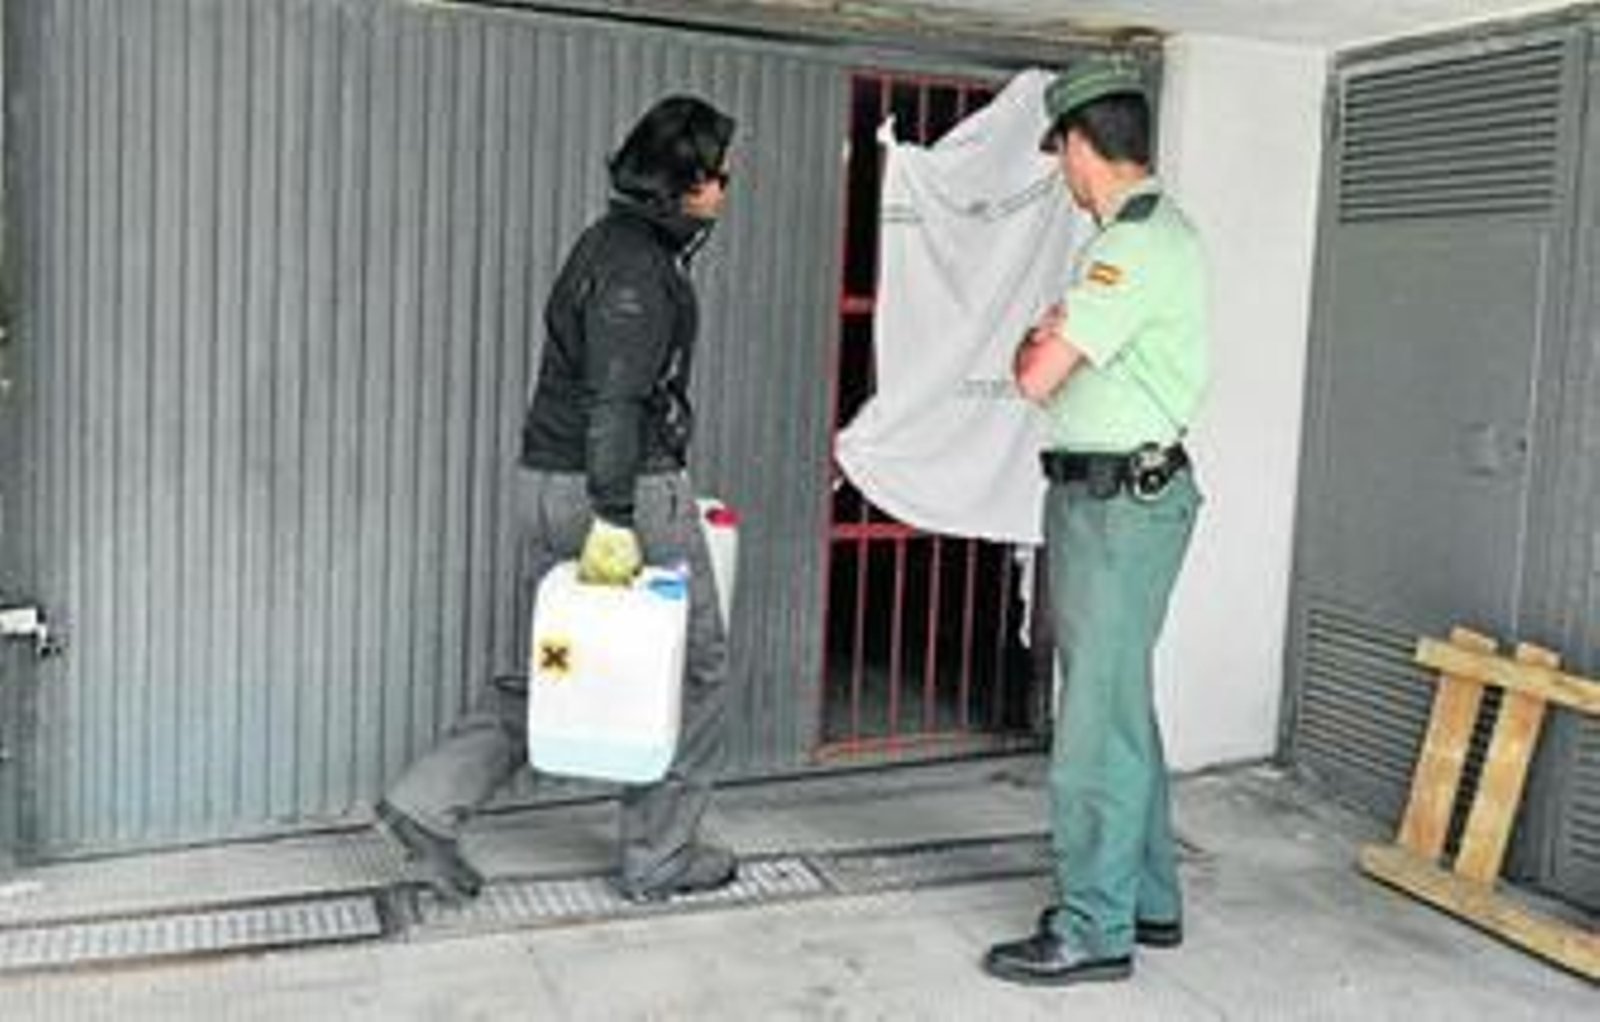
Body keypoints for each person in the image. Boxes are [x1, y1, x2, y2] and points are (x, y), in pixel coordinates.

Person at [376, 95, 740, 905]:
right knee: (697, 667)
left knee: (554, 660)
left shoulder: (608, 246)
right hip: (621, 492)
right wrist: (615, 518)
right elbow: (616, 400)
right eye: (714, 174)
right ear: (677, 186)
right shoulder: (636, 270)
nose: (725, 187)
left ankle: (426, 800)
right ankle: (660, 854)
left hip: (548, 484)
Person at [982, 56, 1208, 986]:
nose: (1063, 175)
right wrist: (1048, 344)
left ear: (1082, 146)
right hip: (1119, 502)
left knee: (1092, 725)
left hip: (1118, 506)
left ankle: (1092, 926)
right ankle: (1148, 899)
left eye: (1062, 155)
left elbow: (1035, 374)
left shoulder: (1131, 245)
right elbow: (1049, 364)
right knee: (1120, 707)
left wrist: (1044, 340)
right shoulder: (1146, 237)